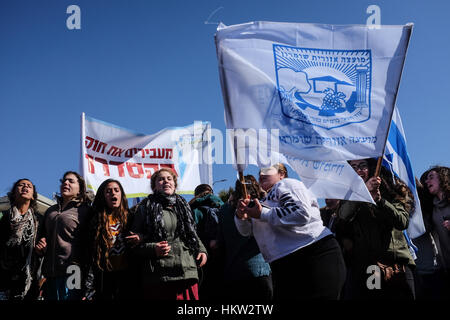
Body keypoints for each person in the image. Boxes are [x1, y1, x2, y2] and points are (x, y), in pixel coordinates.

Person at [236, 163, 346, 300]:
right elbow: (246, 232)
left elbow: (300, 213)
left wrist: (262, 214)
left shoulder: (287, 185)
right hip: (284, 265)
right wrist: (241, 217)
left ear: (282, 174)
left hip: (314, 255)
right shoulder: (262, 201)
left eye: (267, 170)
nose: (261, 174)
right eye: (260, 172)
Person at [336, 159, 416, 300]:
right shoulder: (348, 195)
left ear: (371, 168)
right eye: (353, 167)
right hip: (370, 268)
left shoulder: (390, 190)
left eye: (362, 166)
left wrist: (380, 201)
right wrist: (363, 192)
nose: (358, 171)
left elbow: (402, 222)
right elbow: (343, 215)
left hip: (396, 266)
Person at [131, 168, 207, 300]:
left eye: (169, 179)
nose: (165, 181)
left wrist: (202, 250)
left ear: (174, 185)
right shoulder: (145, 208)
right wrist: (153, 249)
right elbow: (134, 245)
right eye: (160, 179)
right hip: (160, 276)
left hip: (187, 272)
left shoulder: (184, 206)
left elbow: (192, 234)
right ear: (154, 187)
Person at [35, 171, 92, 300]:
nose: (66, 183)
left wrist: (89, 281)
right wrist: (41, 242)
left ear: (80, 189)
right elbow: (42, 235)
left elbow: (90, 243)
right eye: (64, 181)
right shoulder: (50, 210)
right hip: (49, 272)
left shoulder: (85, 210)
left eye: (71, 181)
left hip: (74, 270)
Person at [218, 175, 273, 301]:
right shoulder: (258, 206)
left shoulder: (223, 210)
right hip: (258, 270)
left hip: (232, 273)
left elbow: (220, 241)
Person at [84, 179, 141, 300]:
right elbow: (89, 254)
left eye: (116, 190)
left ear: (121, 194)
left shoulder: (132, 218)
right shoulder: (95, 220)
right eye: (108, 191)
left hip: (128, 277)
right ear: (103, 196)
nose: (113, 194)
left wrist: (141, 237)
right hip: (104, 278)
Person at [0, 179, 42, 300]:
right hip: (5, 278)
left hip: (29, 279)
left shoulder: (39, 220)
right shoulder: (4, 216)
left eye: (29, 186)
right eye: (21, 185)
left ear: (33, 196)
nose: (25, 187)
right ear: (13, 193)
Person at [188, 184, 224, 300]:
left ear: (196, 194)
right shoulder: (223, 206)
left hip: (202, 256)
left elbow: (192, 234)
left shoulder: (193, 210)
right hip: (222, 253)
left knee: (205, 290)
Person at [419, 166, 450, 297]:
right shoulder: (433, 209)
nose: (427, 181)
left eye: (431, 177)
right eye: (426, 180)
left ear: (443, 178)